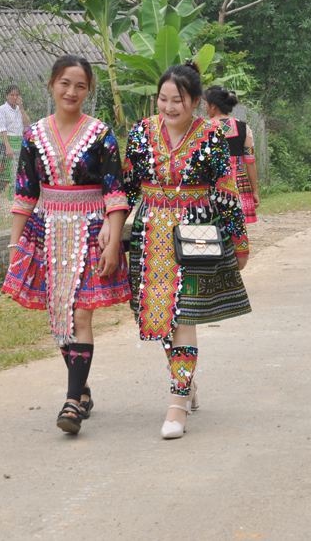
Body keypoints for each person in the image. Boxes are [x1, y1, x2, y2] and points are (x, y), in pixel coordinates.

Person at [123, 61, 251, 440]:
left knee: (185, 314)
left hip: (196, 231)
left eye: (176, 100)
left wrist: (238, 240)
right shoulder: (141, 133)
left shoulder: (211, 134)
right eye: (162, 99)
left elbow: (225, 189)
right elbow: (129, 186)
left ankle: (177, 401)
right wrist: (111, 231)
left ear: (195, 101)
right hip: (150, 234)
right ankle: (186, 381)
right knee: (160, 316)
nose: (168, 107)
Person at [3, 56, 130, 435]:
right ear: (51, 85)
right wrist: (15, 245)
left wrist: (113, 235)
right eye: (64, 83)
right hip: (47, 232)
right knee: (58, 316)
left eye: (79, 85)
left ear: (88, 90)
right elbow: (25, 192)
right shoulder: (34, 135)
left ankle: (72, 403)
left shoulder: (101, 134)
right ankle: (83, 387)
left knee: (81, 316)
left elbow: (115, 191)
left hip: (93, 230)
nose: (71, 92)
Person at [203, 86, 259, 223]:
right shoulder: (243, 127)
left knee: (214, 225)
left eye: (205, 104)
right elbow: (250, 161)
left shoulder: (204, 127)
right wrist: (254, 192)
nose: (205, 108)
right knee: (237, 226)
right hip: (238, 183)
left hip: (213, 183)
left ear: (213, 106)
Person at [0, 84, 32, 212]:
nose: (14, 97)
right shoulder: (2, 110)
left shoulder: (19, 109)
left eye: (16, 95)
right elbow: (3, 129)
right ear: (7, 96)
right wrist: (8, 147)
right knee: (6, 178)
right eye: (12, 95)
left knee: (20, 175)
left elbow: (27, 124)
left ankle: (19, 204)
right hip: (8, 143)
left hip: (19, 142)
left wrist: (21, 108)